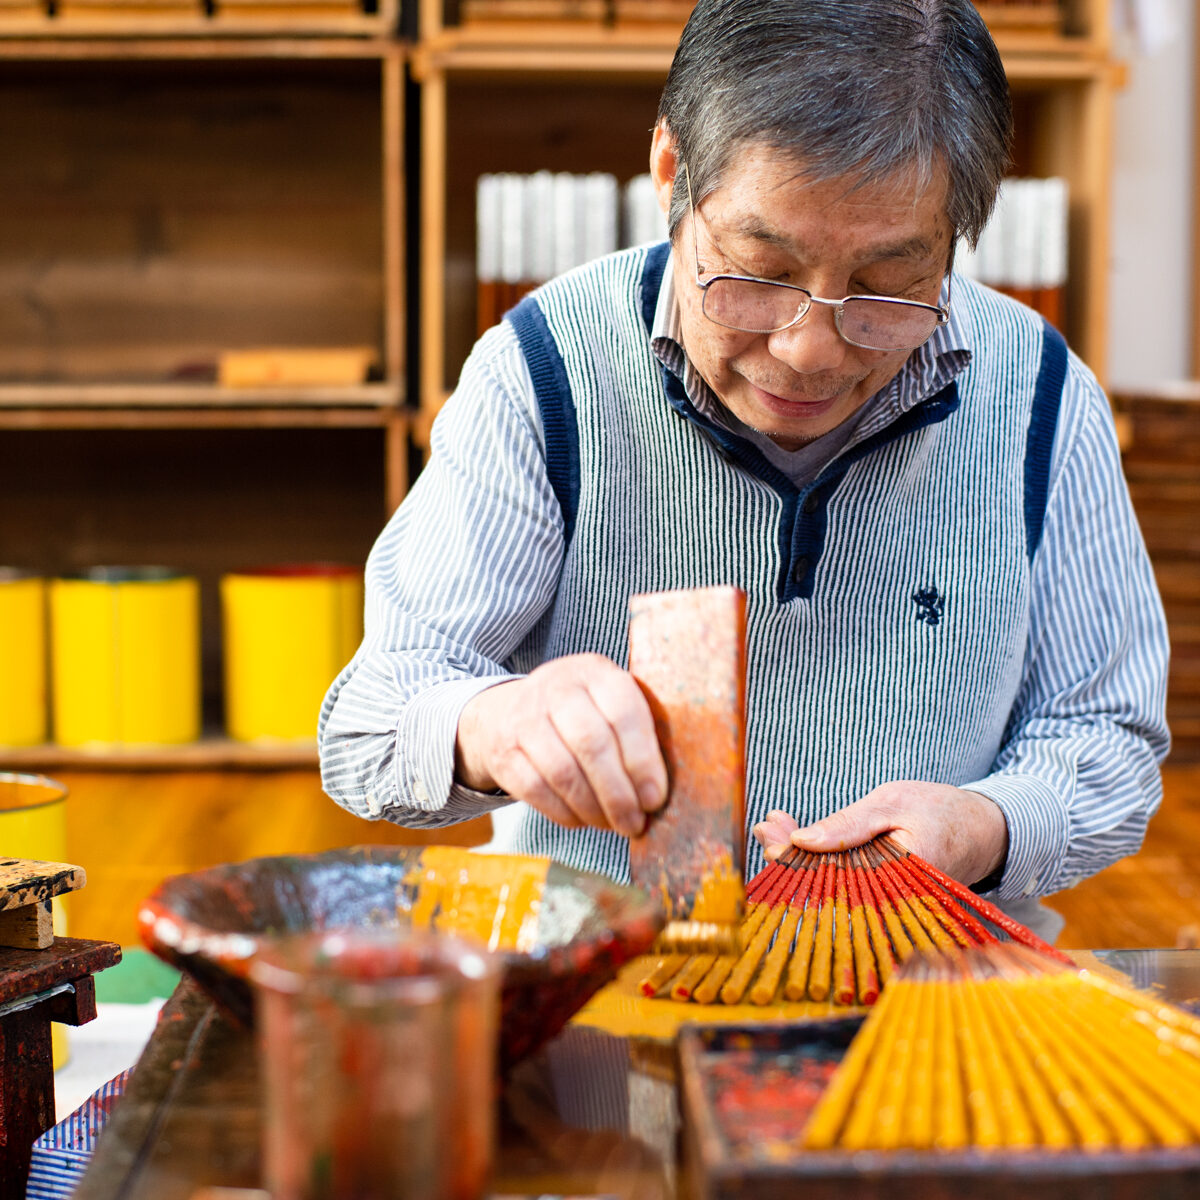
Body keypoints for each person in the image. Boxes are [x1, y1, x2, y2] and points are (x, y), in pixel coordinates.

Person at [319, 0, 1169, 939]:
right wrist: (493, 723)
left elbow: (1107, 738)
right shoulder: (545, 370)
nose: (809, 350)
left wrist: (986, 826)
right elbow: (371, 721)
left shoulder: (1041, 392)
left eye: (888, 289)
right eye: (761, 270)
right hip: (602, 975)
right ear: (671, 171)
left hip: (931, 990)